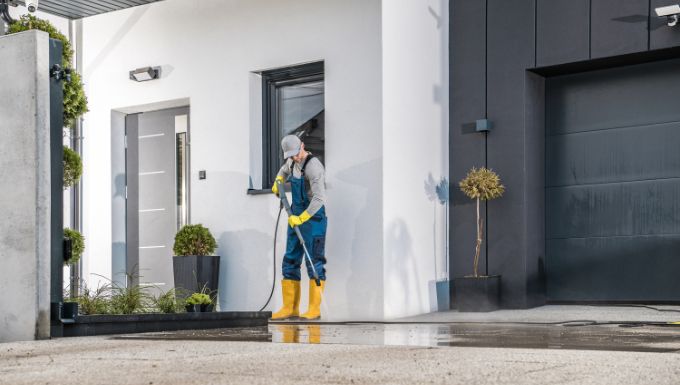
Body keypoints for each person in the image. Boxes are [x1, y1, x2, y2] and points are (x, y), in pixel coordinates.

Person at [270, 134, 327, 320]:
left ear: (302, 146)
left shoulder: (314, 167)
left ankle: (314, 309)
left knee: (314, 261)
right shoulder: (291, 163)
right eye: (291, 155)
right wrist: (278, 182)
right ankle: (290, 308)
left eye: (296, 154)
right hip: (294, 216)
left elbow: (319, 199)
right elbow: (283, 171)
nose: (295, 158)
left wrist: (302, 217)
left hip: (313, 220)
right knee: (290, 259)